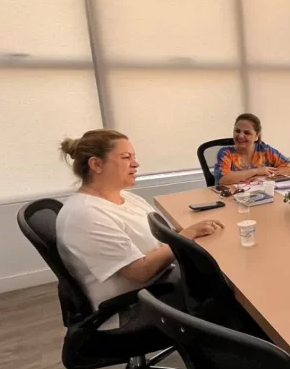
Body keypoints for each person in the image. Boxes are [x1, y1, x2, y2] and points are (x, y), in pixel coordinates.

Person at [57, 129, 223, 329]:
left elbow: (160, 237)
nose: (135, 164)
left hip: (160, 284)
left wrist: (185, 234)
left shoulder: (125, 197)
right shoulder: (85, 215)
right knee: (227, 298)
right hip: (132, 307)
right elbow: (140, 271)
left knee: (220, 277)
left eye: (134, 157)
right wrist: (186, 236)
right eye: (126, 157)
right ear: (96, 164)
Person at [215, 113, 290, 186]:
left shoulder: (265, 150)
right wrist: (256, 171)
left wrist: (264, 175)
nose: (240, 136)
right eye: (237, 131)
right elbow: (223, 179)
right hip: (233, 196)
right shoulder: (225, 153)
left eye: (247, 133)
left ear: (256, 136)